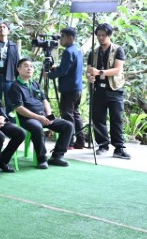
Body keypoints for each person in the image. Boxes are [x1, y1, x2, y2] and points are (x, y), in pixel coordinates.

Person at [8, 58, 73, 169]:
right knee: (37, 127)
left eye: (31, 66)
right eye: (26, 66)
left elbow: (44, 100)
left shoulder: (35, 84)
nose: (29, 68)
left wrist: (49, 115)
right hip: (27, 119)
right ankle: (42, 159)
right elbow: (19, 108)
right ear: (19, 69)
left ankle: (57, 156)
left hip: (43, 116)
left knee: (68, 126)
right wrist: (39, 117)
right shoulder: (15, 86)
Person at [85, 23, 131, 160]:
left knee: (116, 119)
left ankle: (119, 147)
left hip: (114, 89)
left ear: (109, 35)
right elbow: (89, 70)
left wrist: (100, 72)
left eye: (103, 35)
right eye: (98, 35)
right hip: (98, 89)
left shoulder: (118, 50)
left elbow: (117, 70)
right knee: (98, 119)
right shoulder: (93, 52)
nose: (100, 38)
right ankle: (102, 145)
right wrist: (90, 76)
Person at [49, 27, 85, 149]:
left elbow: (63, 71)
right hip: (77, 87)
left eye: (63, 36)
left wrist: (49, 75)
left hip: (69, 88)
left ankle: (68, 142)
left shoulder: (68, 52)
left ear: (70, 38)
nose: (60, 39)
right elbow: (69, 67)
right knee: (75, 114)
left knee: (67, 115)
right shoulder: (77, 49)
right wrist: (58, 68)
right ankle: (80, 141)